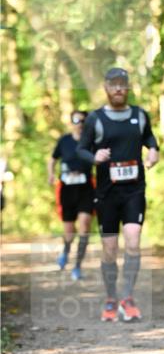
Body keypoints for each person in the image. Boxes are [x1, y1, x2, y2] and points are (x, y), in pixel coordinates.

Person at [77, 68, 159, 323]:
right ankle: (111, 298)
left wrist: (154, 151)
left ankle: (128, 297)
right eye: (114, 85)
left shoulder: (139, 115)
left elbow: (150, 139)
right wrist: (94, 157)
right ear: (106, 87)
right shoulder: (95, 119)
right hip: (106, 194)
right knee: (110, 248)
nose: (119, 89)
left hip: (134, 190)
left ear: (128, 87)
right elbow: (81, 149)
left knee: (133, 239)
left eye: (123, 84)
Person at [48, 110, 94, 281]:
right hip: (67, 188)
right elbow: (53, 159)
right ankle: (66, 251)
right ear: (71, 122)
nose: (80, 123)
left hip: (86, 188)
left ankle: (77, 265)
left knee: (85, 225)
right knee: (69, 230)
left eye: (84, 120)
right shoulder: (64, 141)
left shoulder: (92, 141)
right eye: (77, 120)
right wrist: (51, 174)